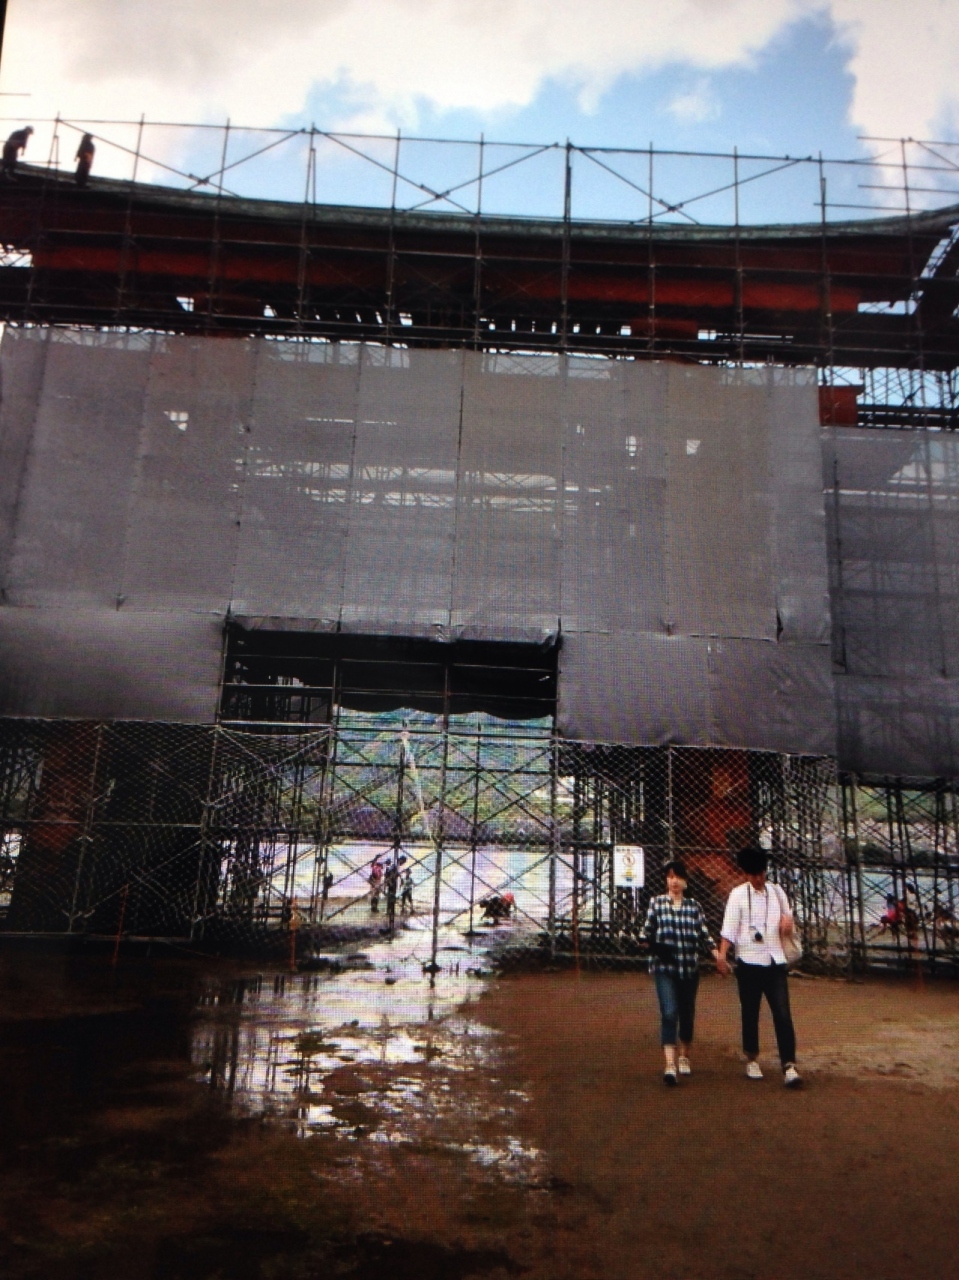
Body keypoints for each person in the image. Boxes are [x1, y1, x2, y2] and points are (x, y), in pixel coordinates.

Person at [718, 845, 802, 1088]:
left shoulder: (777, 892)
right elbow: (729, 929)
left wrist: (788, 924)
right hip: (748, 961)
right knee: (750, 1012)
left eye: (762, 873)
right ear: (746, 874)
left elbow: (788, 918)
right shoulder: (737, 895)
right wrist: (722, 955)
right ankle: (752, 1057)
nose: (759, 878)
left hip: (774, 960)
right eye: (754, 874)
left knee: (782, 1013)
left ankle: (789, 1064)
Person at [643, 858, 722, 1086]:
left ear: (685, 881)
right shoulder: (656, 903)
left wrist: (717, 955)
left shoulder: (694, 907)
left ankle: (684, 1054)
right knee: (669, 1012)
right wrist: (655, 947)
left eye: (677, 877)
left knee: (686, 1014)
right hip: (665, 968)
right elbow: (645, 934)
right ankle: (670, 1064)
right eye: (670, 877)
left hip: (688, 968)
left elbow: (704, 935)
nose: (674, 881)